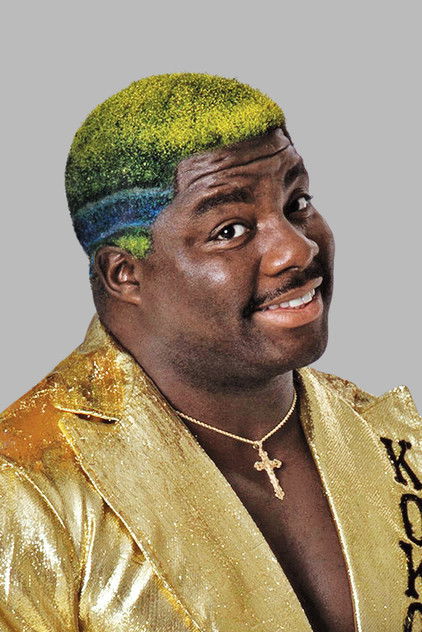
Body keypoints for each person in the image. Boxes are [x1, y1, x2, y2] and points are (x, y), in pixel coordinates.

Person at [0, 73, 420, 632]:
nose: (297, 248)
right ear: (125, 274)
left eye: (297, 203)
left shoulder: (393, 439)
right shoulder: (27, 485)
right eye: (230, 230)